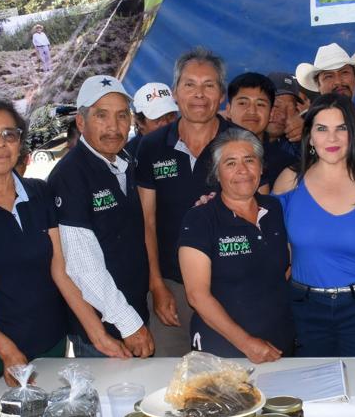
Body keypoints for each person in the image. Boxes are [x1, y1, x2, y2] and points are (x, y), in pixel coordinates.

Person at [0, 100, 130, 380]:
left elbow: (61, 270)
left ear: (20, 143)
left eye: (10, 134)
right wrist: (6, 351)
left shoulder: (40, 192)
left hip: (51, 345)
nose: (0, 143)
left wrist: (99, 335)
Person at [272, 94, 355, 356]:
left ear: (352, 134)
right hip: (303, 310)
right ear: (310, 136)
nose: (331, 139)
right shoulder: (289, 182)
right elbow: (271, 246)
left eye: (341, 128)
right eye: (322, 129)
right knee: (310, 395)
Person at [135, 47, 235, 356]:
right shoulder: (152, 146)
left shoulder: (239, 143)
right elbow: (147, 221)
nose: (199, 94)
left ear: (221, 95)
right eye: (189, 84)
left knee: (233, 383)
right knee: (170, 383)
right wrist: (156, 285)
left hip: (229, 285)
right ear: (176, 92)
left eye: (209, 85)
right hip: (172, 287)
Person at [48, 76, 154, 358]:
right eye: (101, 116)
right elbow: (82, 265)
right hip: (103, 327)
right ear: (81, 123)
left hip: (132, 311)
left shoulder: (124, 162)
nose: (113, 127)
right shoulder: (69, 176)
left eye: (121, 116)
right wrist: (129, 324)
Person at [179, 129, 294, 361]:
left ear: (261, 168)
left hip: (278, 343)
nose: (242, 170)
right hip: (221, 349)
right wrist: (247, 344)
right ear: (217, 173)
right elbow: (197, 295)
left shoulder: (274, 209)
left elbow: (286, 268)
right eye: (230, 163)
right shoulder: (200, 219)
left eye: (249, 160)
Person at [226, 72, 296, 191]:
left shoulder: (287, 165)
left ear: (270, 113)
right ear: (228, 110)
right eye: (243, 103)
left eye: (260, 104)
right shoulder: (208, 151)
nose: (252, 111)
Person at [295, 43, 355, 109]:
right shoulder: (311, 122)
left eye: (344, 72)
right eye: (329, 76)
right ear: (318, 85)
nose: (338, 82)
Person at [128, 81, 179, 159]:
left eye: (170, 116)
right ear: (139, 121)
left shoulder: (191, 143)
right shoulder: (128, 157)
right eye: (157, 119)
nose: (166, 124)